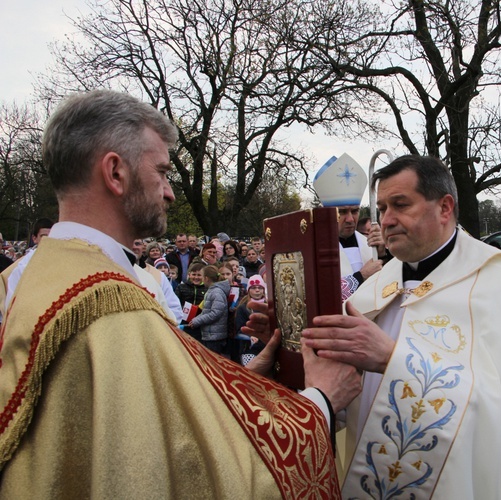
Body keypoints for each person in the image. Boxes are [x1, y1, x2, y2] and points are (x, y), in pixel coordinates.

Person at [0, 89, 360, 497]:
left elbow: (156, 414)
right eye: (162, 172)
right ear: (115, 173)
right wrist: (320, 404)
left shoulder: (43, 273)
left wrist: (244, 380)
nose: (170, 192)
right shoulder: (107, 306)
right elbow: (185, 469)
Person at [302, 155, 501, 498]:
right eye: (382, 207)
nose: (385, 220)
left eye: (400, 205)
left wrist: (393, 359)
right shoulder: (374, 288)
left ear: (445, 208)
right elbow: (342, 388)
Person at [313, 153, 387, 300]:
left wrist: (383, 254)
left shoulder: (369, 243)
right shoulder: (315, 247)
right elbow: (319, 294)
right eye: (342, 212)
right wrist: (361, 276)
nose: (350, 219)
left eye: (354, 211)